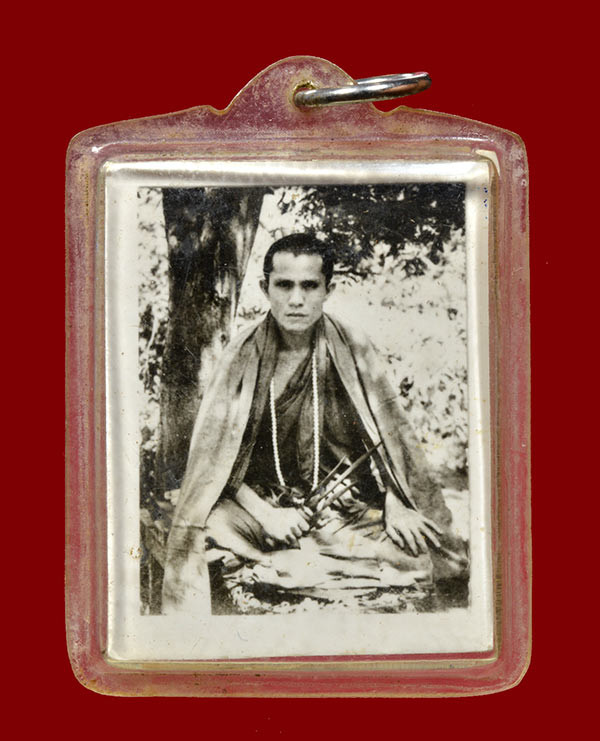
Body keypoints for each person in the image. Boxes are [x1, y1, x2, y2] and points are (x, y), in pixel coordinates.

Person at [162, 234, 467, 614]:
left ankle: (283, 567)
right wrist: (269, 515)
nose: (296, 299)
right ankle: (301, 564)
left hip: (342, 512)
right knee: (207, 527)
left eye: (309, 286)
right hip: (260, 507)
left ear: (328, 290)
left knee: (420, 555)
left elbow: (392, 438)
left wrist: (396, 500)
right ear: (265, 288)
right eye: (284, 285)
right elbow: (215, 461)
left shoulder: (352, 348)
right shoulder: (241, 355)